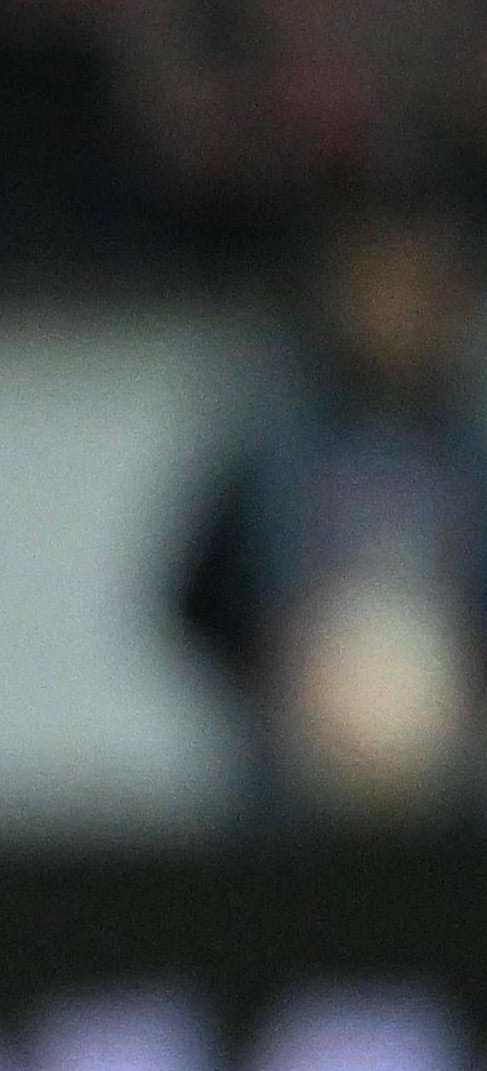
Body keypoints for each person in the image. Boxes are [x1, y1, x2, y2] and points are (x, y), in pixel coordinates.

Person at [157, 190, 486, 824]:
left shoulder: (472, 449)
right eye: (377, 283)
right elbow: (196, 600)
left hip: (459, 797)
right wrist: (275, 677)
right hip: (291, 798)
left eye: (416, 286)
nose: (395, 309)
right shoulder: (271, 444)